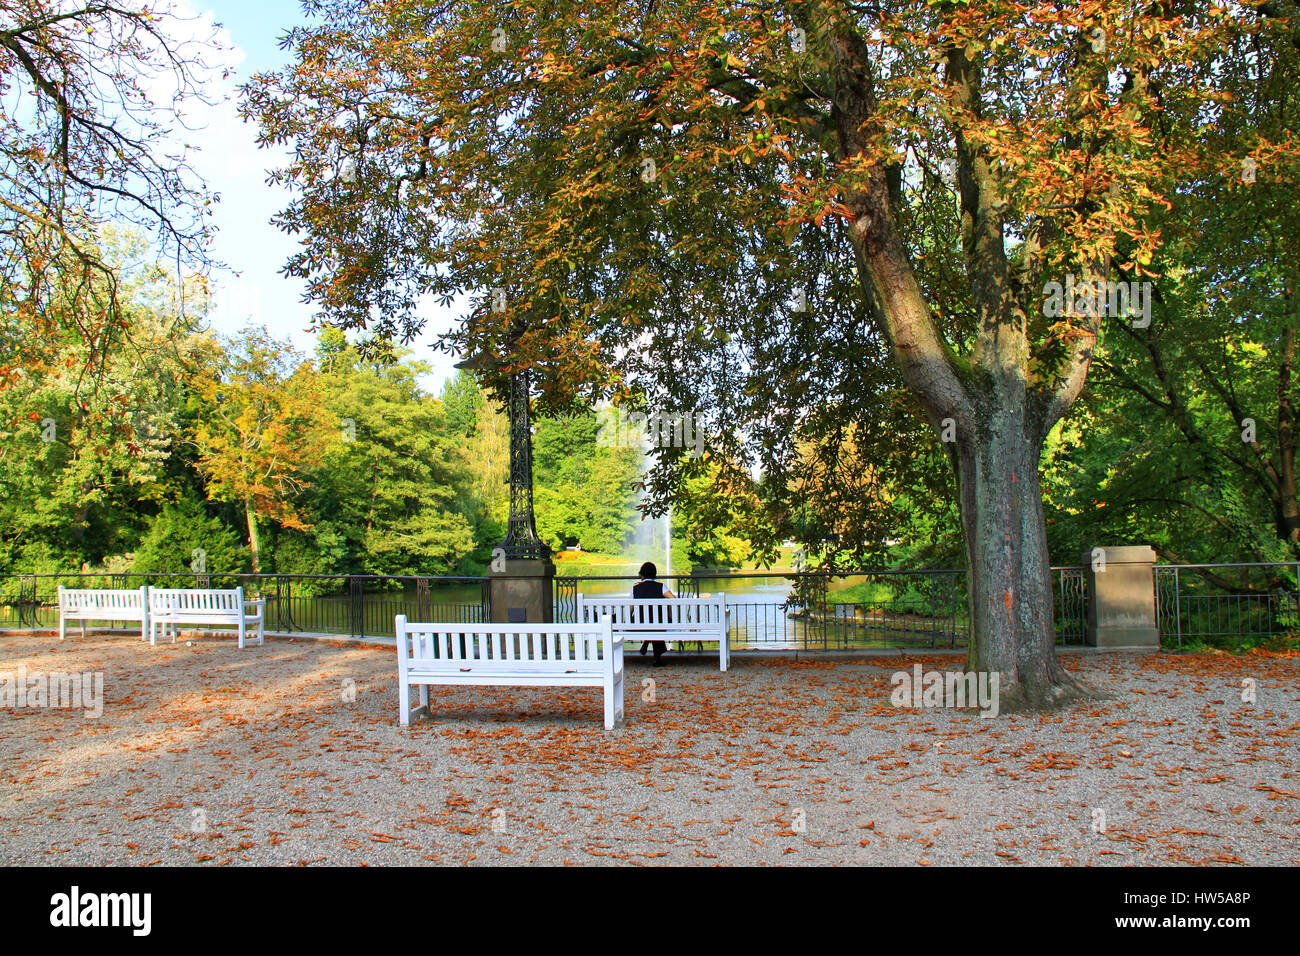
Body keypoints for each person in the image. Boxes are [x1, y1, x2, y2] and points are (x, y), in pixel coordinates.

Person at [632, 561, 674, 666]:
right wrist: (669, 615)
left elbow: (631, 607)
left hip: (640, 624)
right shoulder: (661, 587)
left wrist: (626, 620)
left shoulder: (635, 588)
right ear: (654, 574)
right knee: (657, 624)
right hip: (660, 622)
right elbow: (673, 599)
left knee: (651, 624)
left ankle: (647, 642)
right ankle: (656, 658)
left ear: (641, 574)